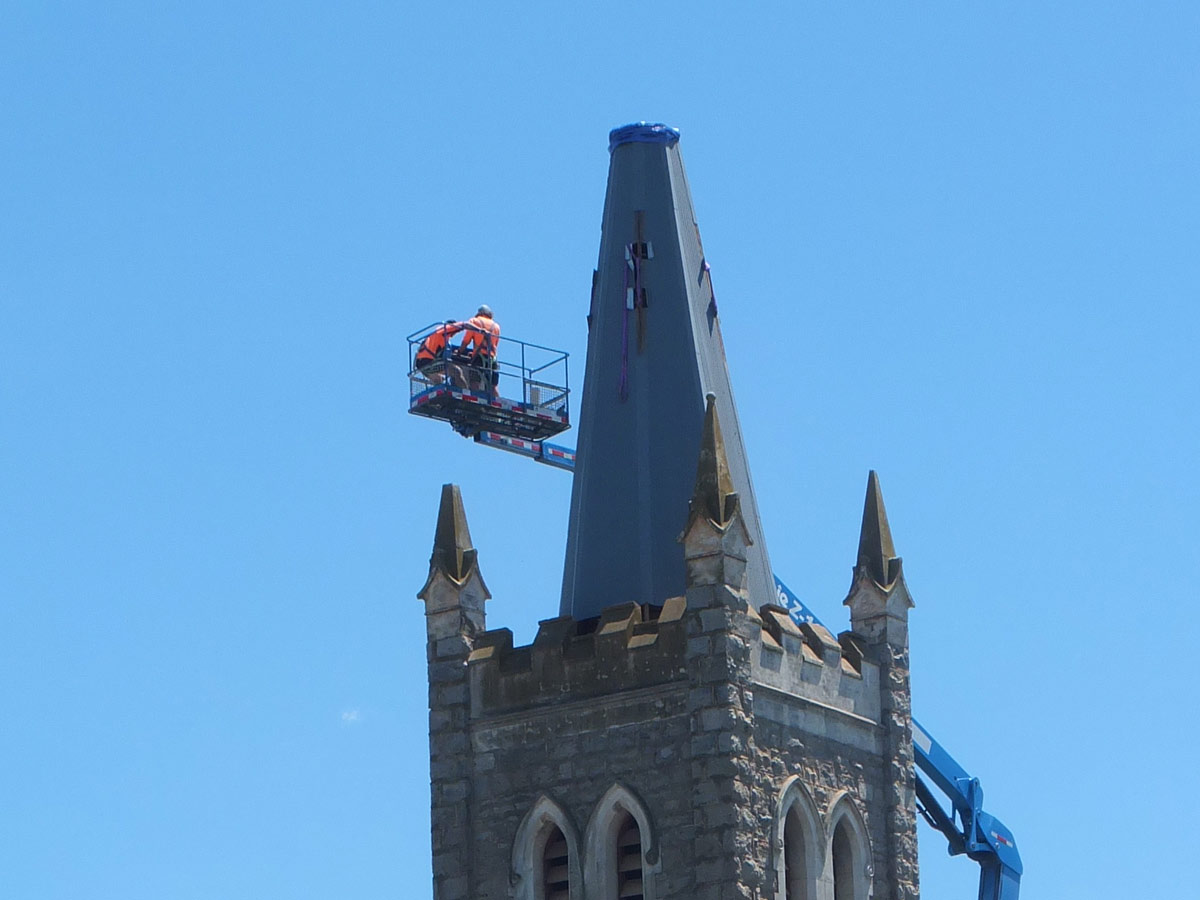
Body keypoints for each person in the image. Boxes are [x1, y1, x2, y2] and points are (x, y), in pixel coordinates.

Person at [456, 304, 501, 395]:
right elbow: (495, 344)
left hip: (479, 358)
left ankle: (474, 399)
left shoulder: (474, 321)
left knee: (475, 382)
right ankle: (497, 403)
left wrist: (459, 352)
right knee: (493, 386)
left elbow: (466, 340)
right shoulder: (496, 326)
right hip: (492, 359)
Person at [414, 320, 465, 384]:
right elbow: (446, 358)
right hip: (428, 362)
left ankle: (441, 392)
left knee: (438, 379)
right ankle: (464, 391)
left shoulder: (431, 337)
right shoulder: (443, 331)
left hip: (420, 365)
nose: (454, 334)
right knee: (457, 371)